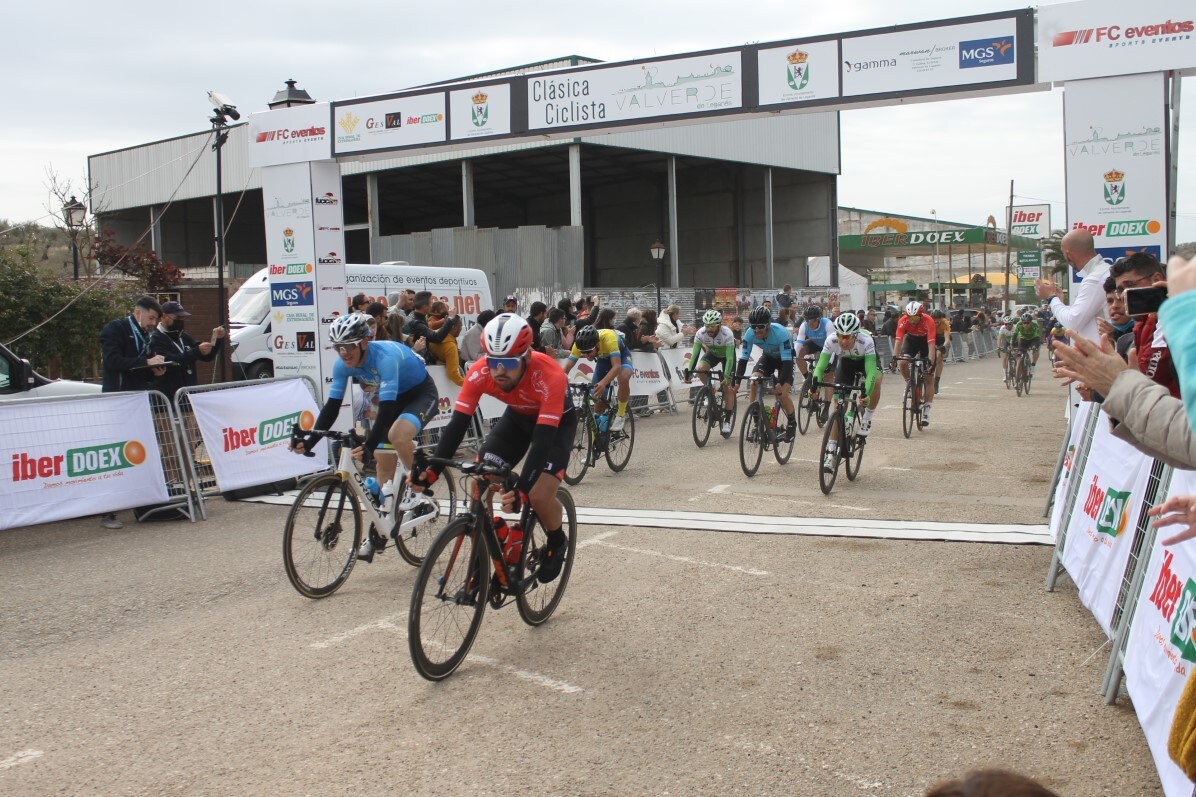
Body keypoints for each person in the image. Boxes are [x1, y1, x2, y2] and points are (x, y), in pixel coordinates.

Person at [412, 314, 575, 584]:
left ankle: (557, 541)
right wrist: (432, 470)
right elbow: (456, 426)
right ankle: (483, 560)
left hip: (555, 427)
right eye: (493, 362)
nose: (499, 371)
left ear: (526, 357)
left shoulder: (549, 375)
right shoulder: (479, 371)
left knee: (538, 495)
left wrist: (522, 489)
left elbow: (543, 441)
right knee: (480, 482)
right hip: (517, 420)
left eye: (508, 363)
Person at [291, 313, 439, 563]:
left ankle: (417, 490)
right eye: (338, 347)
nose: (343, 353)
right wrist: (310, 440)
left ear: (363, 343)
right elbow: (332, 407)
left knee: (397, 435)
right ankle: (380, 531)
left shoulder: (384, 358)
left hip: (420, 394)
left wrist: (368, 445)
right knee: (383, 463)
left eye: (348, 346)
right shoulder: (341, 365)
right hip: (394, 398)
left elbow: (389, 409)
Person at [99, 295, 168, 529]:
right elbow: (114, 362)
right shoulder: (115, 329)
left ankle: (143, 502)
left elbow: (138, 367)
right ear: (138, 312)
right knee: (117, 454)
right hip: (118, 401)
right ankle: (108, 511)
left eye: (155, 320)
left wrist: (153, 371)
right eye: (150, 318)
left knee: (142, 452)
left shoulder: (147, 335)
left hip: (138, 401)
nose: (152, 324)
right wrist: (146, 364)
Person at [810, 312, 882, 472]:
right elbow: (820, 367)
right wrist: (814, 386)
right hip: (846, 364)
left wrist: (866, 393)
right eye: (840, 336)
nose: (843, 340)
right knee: (838, 408)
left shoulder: (866, 341)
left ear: (855, 336)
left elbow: (870, 371)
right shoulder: (831, 340)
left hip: (866, 362)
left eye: (847, 337)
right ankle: (831, 451)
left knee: (876, 380)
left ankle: (867, 417)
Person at [1113, 251, 1178, 398]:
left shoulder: (1173, 318)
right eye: (1120, 290)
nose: (1124, 295)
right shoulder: (1142, 323)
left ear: (1156, 279)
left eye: (1129, 285)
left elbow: (1152, 377)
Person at [733, 305, 797, 442]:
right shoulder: (750, 333)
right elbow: (743, 359)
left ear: (768, 324)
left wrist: (780, 383)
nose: (756, 330)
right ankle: (756, 423)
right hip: (768, 357)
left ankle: (792, 422)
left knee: (781, 392)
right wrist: (737, 381)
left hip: (785, 360)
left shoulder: (781, 333)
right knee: (754, 381)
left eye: (760, 326)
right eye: (753, 326)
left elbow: (786, 362)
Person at [1034, 228, 1109, 343]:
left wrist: (1051, 298)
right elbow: (1083, 316)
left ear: (1069, 255)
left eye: (1064, 254)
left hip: (1100, 354)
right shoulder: (1102, 272)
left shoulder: (1094, 279)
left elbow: (1073, 322)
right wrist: (1059, 302)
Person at [147, 300, 225, 401]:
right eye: (177, 318)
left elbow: (206, 356)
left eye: (182, 318)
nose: (180, 321)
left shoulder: (183, 336)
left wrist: (217, 340)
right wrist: (196, 351)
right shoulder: (156, 338)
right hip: (168, 398)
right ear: (163, 317)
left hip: (188, 396)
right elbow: (169, 361)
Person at [563, 325, 633, 432]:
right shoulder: (578, 345)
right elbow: (567, 367)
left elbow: (616, 366)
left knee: (623, 377)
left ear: (597, 344)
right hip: (603, 359)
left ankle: (621, 415)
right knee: (598, 402)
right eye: (583, 352)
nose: (586, 355)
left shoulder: (609, 338)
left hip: (621, 356)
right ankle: (600, 432)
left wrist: (603, 383)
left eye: (589, 351)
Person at [683, 308, 737, 435]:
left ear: (719, 325)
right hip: (712, 354)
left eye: (712, 327)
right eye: (707, 326)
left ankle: (727, 421)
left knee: (727, 387)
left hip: (727, 357)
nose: (709, 330)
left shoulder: (727, 333)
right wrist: (690, 372)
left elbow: (729, 358)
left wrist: (727, 375)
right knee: (700, 369)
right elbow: (695, 354)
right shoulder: (701, 333)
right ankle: (710, 389)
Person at [893, 300, 937, 426]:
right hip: (911, 341)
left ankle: (927, 409)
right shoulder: (903, 321)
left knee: (929, 376)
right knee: (903, 363)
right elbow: (898, 341)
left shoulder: (928, 321)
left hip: (925, 342)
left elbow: (931, 344)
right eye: (910, 318)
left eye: (915, 318)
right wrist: (894, 358)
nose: (912, 321)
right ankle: (910, 384)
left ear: (921, 315)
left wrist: (931, 362)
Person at [404, 290, 457, 363]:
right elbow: (436, 337)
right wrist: (450, 319)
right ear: (424, 306)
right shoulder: (416, 322)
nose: (432, 306)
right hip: (416, 362)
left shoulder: (417, 316)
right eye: (431, 303)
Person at [1097, 273, 1136, 362]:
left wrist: (1116, 335)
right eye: (1110, 301)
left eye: (1121, 300)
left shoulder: (1147, 328)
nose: (1114, 306)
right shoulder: (1104, 332)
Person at [427, 300, 464, 385]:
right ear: (454, 327)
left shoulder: (434, 334)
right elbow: (453, 374)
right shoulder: (450, 347)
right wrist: (468, 385)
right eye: (460, 326)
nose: (461, 329)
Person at [793, 304, 833, 378]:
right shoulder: (804, 325)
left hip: (828, 345)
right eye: (807, 320)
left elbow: (831, 344)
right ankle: (807, 377)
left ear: (819, 319)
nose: (809, 323)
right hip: (815, 343)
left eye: (812, 320)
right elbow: (799, 343)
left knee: (828, 374)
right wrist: (794, 355)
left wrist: (829, 362)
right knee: (799, 352)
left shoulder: (827, 324)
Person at [932, 308, 950, 392]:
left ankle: (936, 381)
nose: (936, 323)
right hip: (933, 338)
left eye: (937, 321)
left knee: (939, 356)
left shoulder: (945, 323)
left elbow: (947, 338)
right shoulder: (929, 322)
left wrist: (943, 346)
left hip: (942, 340)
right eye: (934, 321)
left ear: (941, 319)